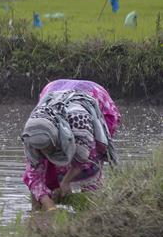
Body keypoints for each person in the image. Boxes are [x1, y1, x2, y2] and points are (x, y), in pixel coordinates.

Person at [21, 82, 117, 211]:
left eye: (47, 147)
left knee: (91, 169)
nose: (44, 152)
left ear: (56, 138)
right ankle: (37, 216)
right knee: (43, 173)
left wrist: (65, 182)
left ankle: (91, 212)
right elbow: (33, 174)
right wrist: (50, 207)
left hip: (91, 96)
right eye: (40, 149)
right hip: (53, 90)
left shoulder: (79, 122)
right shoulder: (32, 133)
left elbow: (84, 159)